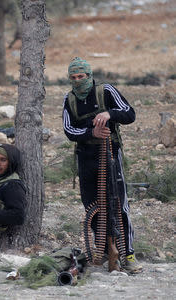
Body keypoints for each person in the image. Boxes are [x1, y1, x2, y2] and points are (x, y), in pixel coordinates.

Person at [62, 57, 142, 273]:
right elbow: (69, 130)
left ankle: (128, 254)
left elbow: (130, 113)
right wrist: (91, 132)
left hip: (110, 155)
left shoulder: (106, 91)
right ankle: (105, 251)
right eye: (74, 77)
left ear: (90, 76)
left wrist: (109, 114)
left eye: (82, 76)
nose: (78, 81)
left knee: (118, 205)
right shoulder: (69, 100)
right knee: (92, 206)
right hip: (86, 157)